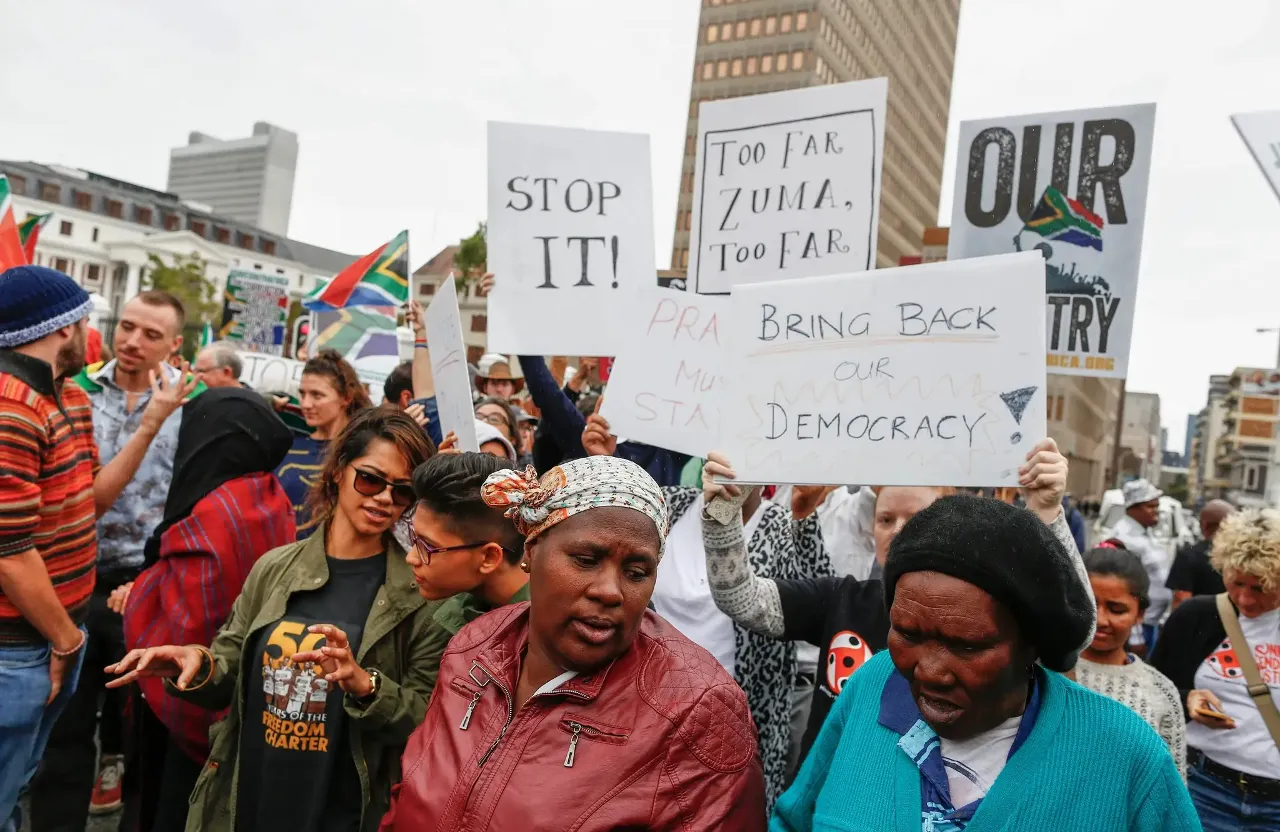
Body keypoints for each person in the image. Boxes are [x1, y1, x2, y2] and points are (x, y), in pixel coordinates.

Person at [381, 456, 766, 830]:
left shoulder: (697, 709)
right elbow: (409, 794)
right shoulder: (473, 647)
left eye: (636, 572)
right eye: (585, 560)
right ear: (532, 550)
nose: (610, 591)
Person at [773, 495, 1198, 831]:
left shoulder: (1124, 757)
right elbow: (794, 821)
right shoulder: (871, 686)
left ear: (1032, 643)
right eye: (908, 633)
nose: (930, 670)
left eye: (967, 646)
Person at [107, 406, 439, 832]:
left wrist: (364, 684)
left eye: (402, 492)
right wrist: (194, 663)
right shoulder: (275, 568)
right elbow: (228, 663)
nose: (384, 499)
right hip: (251, 800)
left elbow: (423, 720)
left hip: (342, 810)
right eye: (371, 479)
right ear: (338, 471)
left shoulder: (417, 595)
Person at [701, 439, 1083, 769]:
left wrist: (1047, 512)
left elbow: (1073, 631)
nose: (899, 531)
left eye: (916, 517)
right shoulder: (842, 598)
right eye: (886, 518)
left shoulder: (990, 612)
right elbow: (741, 598)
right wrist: (722, 512)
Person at [32, 289, 198, 827]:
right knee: (64, 724)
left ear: (174, 346)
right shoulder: (72, 392)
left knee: (140, 727)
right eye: (127, 326)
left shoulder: (189, 409)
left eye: (151, 335)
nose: (132, 341)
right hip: (70, 578)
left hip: (145, 585)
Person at [116, 387, 296, 831]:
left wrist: (140, 589)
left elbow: (192, 615)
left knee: (170, 805)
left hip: (192, 686)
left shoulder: (215, 512)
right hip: (231, 691)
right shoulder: (265, 493)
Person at [0, 266, 98, 832]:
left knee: (17, 787)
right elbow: (9, 550)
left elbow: (83, 505)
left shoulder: (63, 395)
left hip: (52, 635)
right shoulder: (11, 406)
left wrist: (153, 419)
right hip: (18, 647)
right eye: (85, 318)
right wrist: (64, 640)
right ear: (61, 327)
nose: (91, 329)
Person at [1151, 508, 1280, 829]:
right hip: (1205, 788)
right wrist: (1186, 700)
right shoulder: (1195, 617)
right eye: (1237, 583)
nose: (1245, 599)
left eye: (1260, 588)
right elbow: (1151, 690)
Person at [401, 452, 529, 695]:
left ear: (489, 558)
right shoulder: (467, 611)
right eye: (413, 538)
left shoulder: (544, 647)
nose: (411, 557)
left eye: (426, 547)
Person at [1075, 546, 1186, 779]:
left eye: (1117, 610)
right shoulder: (1039, 671)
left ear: (1140, 614)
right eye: (1090, 605)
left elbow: (1172, 788)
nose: (1100, 620)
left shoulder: (1161, 691)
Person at [276, 349, 372, 539]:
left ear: (346, 397)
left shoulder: (363, 448)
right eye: (302, 394)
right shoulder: (290, 444)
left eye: (317, 395)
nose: (306, 403)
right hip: (288, 558)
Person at [1110, 478, 1173, 650]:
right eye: (1150, 506)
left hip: (1150, 624)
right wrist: (1136, 638)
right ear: (1133, 508)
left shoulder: (1143, 532)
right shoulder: (1124, 537)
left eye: (1156, 505)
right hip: (1136, 629)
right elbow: (1124, 591)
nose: (1156, 511)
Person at [1168, 499, 1234, 609]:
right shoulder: (1242, 556)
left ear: (1204, 525)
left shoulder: (1188, 555)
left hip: (1199, 623)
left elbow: (1181, 600)